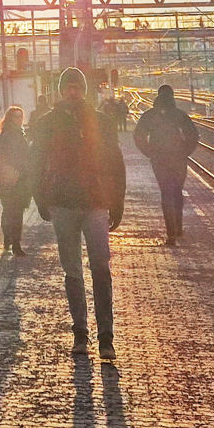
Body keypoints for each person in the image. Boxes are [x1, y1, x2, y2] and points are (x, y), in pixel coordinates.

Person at [37, 67, 126, 362]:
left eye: (77, 87)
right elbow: (36, 162)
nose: (72, 92)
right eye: (68, 88)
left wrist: (118, 201)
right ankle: (80, 333)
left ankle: (106, 337)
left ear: (83, 90)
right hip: (63, 203)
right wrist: (40, 197)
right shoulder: (48, 123)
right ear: (62, 91)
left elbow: (115, 161)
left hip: (96, 202)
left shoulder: (101, 121)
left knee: (100, 268)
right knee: (72, 271)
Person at [133, 84, 200, 245]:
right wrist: (185, 151)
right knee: (177, 191)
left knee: (165, 193)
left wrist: (149, 152)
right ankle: (178, 227)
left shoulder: (149, 115)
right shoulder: (179, 114)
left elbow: (138, 135)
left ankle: (171, 233)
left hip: (159, 160)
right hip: (178, 159)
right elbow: (193, 135)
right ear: (172, 96)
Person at [0, 105, 34, 256]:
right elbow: (16, 156)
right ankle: (15, 244)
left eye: (21, 116)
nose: (19, 119)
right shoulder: (13, 134)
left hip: (7, 177)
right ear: (10, 118)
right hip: (14, 177)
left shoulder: (9, 133)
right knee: (16, 211)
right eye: (16, 116)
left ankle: (8, 239)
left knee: (8, 209)